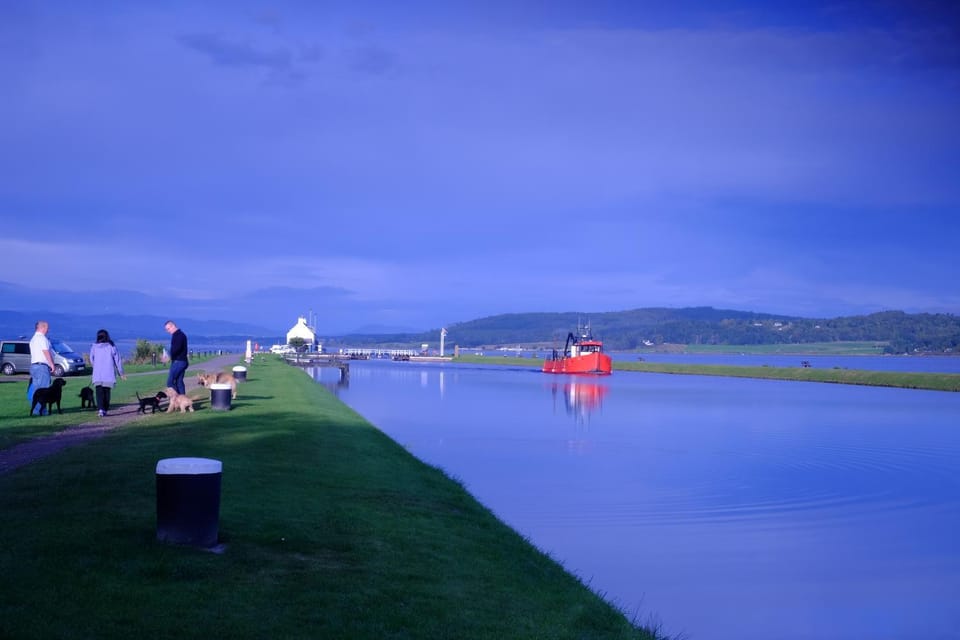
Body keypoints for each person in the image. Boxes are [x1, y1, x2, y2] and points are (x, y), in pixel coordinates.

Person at [89, 329, 126, 417]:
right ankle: (104, 409)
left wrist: (96, 367)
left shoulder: (94, 346)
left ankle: (101, 409)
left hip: (97, 374)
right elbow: (118, 360)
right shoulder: (111, 346)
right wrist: (121, 373)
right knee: (106, 392)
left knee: (99, 392)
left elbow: (91, 359)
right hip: (108, 374)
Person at [29, 320, 56, 414]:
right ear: (42, 327)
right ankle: (43, 411)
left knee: (37, 390)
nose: (48, 330)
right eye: (47, 328)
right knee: (44, 390)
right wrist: (52, 364)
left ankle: (36, 410)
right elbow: (46, 352)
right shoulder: (42, 338)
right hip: (42, 367)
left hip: (34, 366)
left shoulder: (33, 339)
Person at [164, 320, 188, 394]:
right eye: (166, 330)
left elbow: (176, 349)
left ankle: (178, 400)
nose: (168, 331)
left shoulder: (178, 335)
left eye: (168, 329)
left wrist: (169, 357)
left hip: (179, 362)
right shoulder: (179, 335)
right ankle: (183, 401)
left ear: (173, 326)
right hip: (182, 361)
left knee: (170, 382)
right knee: (179, 381)